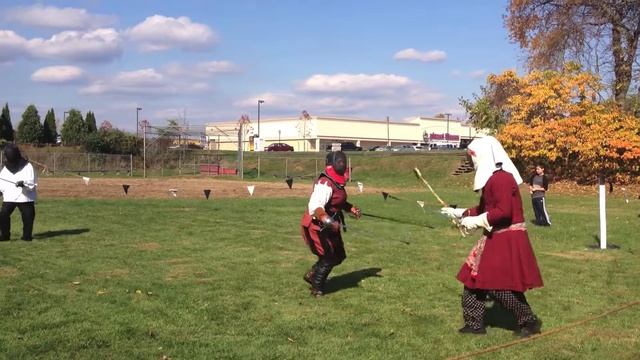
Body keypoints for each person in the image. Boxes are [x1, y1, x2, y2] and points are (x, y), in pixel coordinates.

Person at [441, 136, 543, 337]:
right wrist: (461, 213)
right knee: (472, 279)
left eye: (473, 157)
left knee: (499, 284)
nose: (472, 161)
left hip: (507, 236)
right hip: (494, 235)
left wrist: (477, 221)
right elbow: (483, 208)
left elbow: (503, 212)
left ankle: (528, 321)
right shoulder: (491, 180)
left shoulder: (502, 179)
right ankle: (474, 323)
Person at [301, 151, 361, 297]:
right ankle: (317, 288)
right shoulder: (325, 183)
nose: (342, 163)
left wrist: (350, 208)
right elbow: (315, 206)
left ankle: (312, 274)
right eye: (339, 161)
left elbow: (338, 201)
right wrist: (328, 220)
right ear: (332, 163)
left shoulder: (336, 182)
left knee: (339, 255)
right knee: (328, 257)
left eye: (343, 161)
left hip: (331, 226)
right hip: (317, 226)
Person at [0, 144, 38, 241]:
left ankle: (26, 236)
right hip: (10, 196)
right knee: (3, 215)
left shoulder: (27, 166)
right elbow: (2, 183)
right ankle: (5, 236)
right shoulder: (5, 169)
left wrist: (24, 184)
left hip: (24, 197)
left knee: (28, 216)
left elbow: (32, 183)